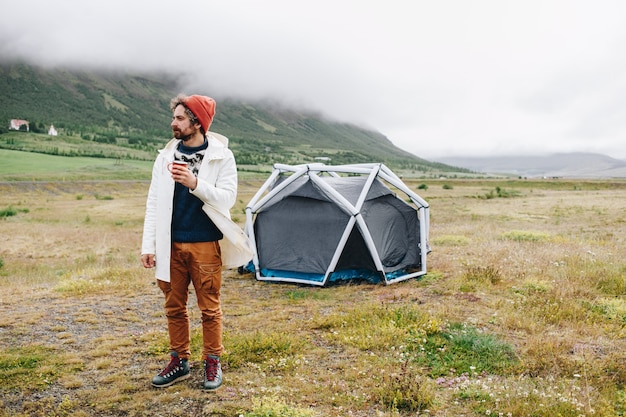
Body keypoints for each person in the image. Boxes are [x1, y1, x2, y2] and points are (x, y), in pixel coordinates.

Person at [141, 94, 251, 390]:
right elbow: (153, 202)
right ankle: (180, 361)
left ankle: (212, 361)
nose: (173, 123)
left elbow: (228, 198)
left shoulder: (222, 156)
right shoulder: (165, 155)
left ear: (196, 122)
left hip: (205, 243)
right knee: (173, 306)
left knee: (209, 308)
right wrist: (148, 246)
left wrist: (195, 183)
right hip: (170, 245)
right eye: (174, 117)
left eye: (179, 118)